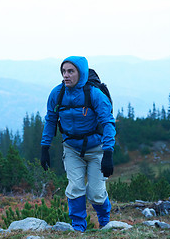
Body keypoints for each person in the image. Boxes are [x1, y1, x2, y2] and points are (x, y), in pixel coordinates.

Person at [40, 56, 116, 232]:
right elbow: (51, 120)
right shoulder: (57, 94)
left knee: (96, 194)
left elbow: (108, 123)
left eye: (70, 71)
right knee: (75, 187)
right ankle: (78, 228)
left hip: (97, 149)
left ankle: (105, 221)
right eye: (64, 71)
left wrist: (108, 153)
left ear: (80, 73)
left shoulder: (95, 94)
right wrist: (45, 147)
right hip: (72, 149)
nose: (66, 75)